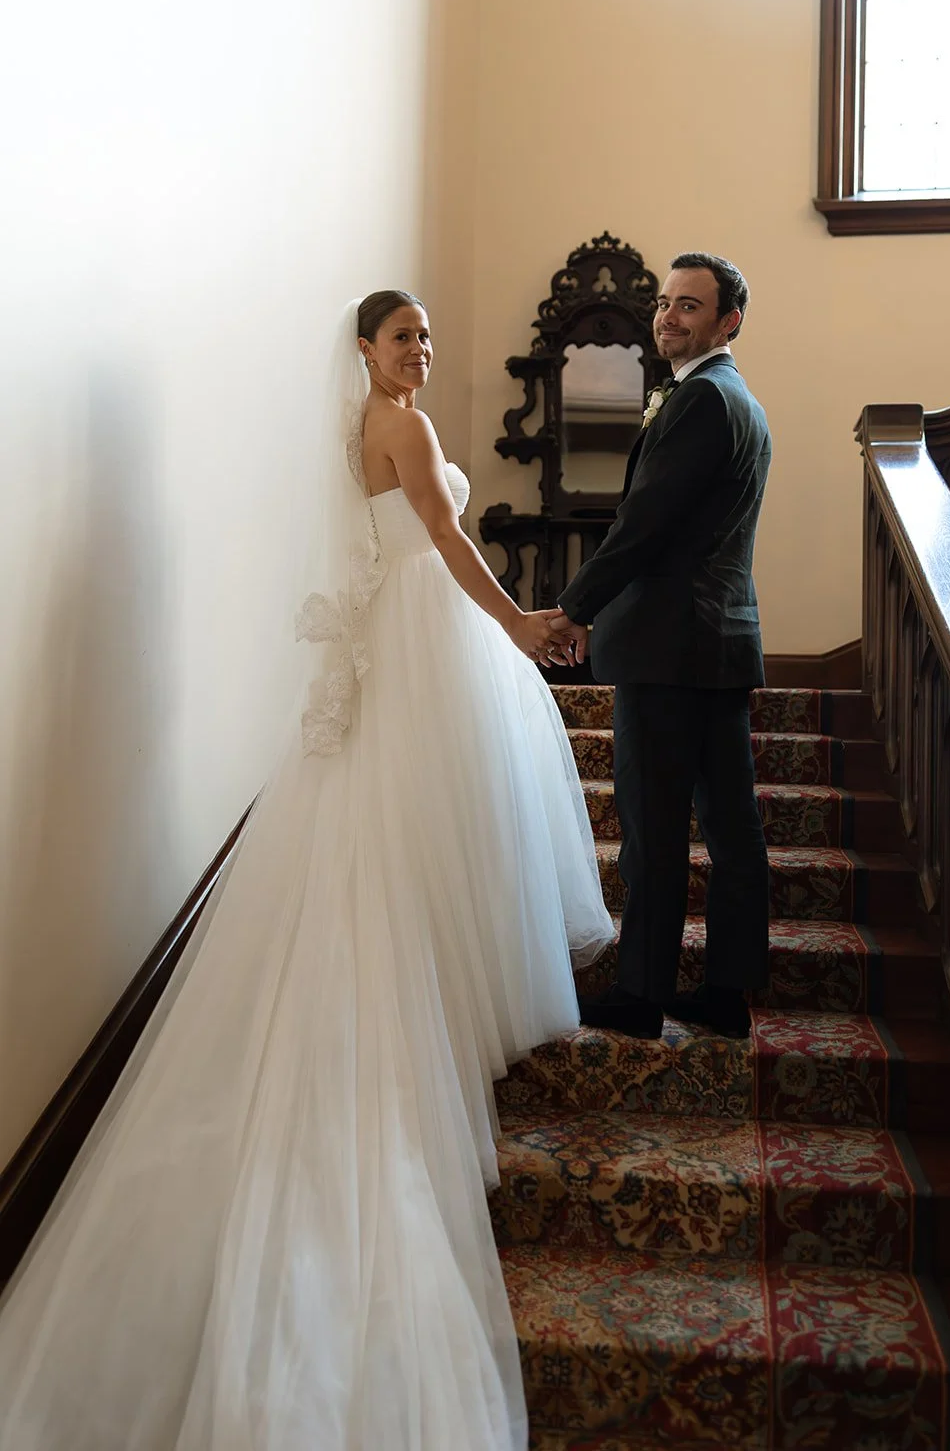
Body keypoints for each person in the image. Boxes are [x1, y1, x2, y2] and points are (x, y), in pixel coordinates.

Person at [0, 292, 613, 1450]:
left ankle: (436, 994)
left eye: (426, 336)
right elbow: (444, 539)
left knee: (412, 824)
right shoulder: (404, 426)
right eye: (401, 337)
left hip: (404, 637)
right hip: (426, 634)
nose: (419, 351)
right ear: (365, 349)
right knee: (424, 821)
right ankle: (424, 1012)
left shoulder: (361, 424)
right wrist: (518, 625)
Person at [549, 252, 771, 1041]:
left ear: (727, 321)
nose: (668, 316)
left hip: (670, 648)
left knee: (653, 829)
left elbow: (643, 525)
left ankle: (641, 993)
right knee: (731, 829)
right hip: (716, 642)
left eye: (688, 305)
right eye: (665, 302)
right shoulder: (735, 398)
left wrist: (574, 609)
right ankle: (726, 991)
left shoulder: (702, 399)